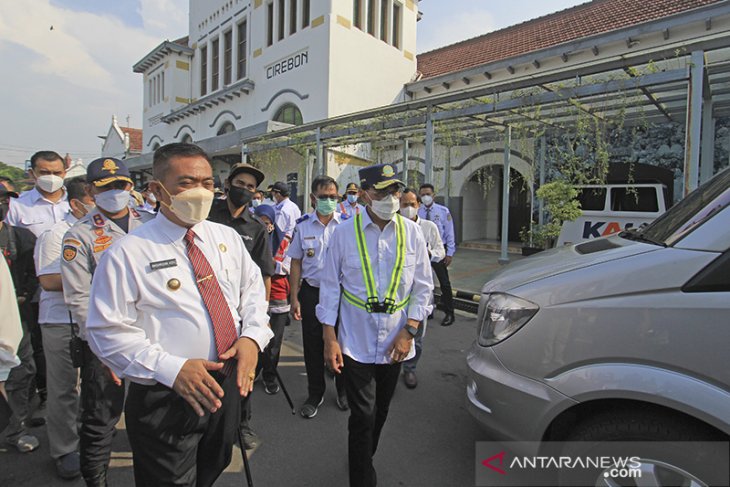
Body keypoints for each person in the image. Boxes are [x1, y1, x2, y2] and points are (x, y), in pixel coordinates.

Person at [85, 143, 273, 487]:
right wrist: (171, 368)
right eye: (187, 183)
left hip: (225, 384)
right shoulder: (128, 253)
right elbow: (105, 331)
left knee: (213, 465)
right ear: (157, 190)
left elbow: (253, 296)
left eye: (207, 183)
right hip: (167, 395)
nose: (200, 192)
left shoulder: (227, 238)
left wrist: (252, 338)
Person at [318, 164, 433, 487]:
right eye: (382, 192)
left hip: (396, 340)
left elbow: (423, 286)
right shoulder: (343, 234)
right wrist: (330, 338)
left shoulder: (411, 233)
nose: (392, 198)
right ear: (365, 194)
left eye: (394, 191)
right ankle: (362, 476)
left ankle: (364, 457)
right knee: (363, 416)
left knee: (380, 411)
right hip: (355, 340)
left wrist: (409, 331)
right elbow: (329, 288)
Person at [61, 157, 152, 486]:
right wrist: (102, 349)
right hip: (105, 341)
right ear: (90, 191)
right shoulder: (79, 236)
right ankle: (96, 480)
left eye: (122, 185)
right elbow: (78, 299)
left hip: (151, 335)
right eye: (106, 187)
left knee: (151, 413)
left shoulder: (150, 223)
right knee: (101, 418)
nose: (116, 192)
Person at [207, 162, 275, 449]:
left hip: (239, 311)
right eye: (240, 184)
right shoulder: (207, 216)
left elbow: (264, 274)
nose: (245, 190)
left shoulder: (256, 228)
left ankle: (240, 423)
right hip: (205, 304)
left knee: (243, 370)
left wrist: (264, 315)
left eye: (251, 187)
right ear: (227, 185)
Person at [34, 176, 95, 479]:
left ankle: (89, 436)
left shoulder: (106, 232)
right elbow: (48, 280)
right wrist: (99, 276)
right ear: (77, 203)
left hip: (97, 320)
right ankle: (64, 449)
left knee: (94, 386)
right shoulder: (56, 234)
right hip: (62, 321)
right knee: (64, 389)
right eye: (96, 196)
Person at [5, 150, 70, 417]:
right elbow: (10, 248)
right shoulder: (19, 206)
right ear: (32, 174)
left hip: (72, 285)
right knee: (36, 346)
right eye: (44, 173)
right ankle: (41, 396)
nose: (51, 178)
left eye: (57, 172)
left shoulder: (75, 204)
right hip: (31, 287)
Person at [288, 175, 347, 418]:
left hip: (342, 294)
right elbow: (296, 264)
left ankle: (343, 390)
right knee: (312, 346)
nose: (329, 201)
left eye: (333, 197)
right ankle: (315, 393)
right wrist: (294, 298)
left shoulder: (346, 225)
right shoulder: (302, 226)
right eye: (324, 197)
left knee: (342, 343)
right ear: (313, 198)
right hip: (312, 293)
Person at [0, 187, 40, 453]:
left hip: (14, 318)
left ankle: (15, 427)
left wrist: (24, 293)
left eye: (3, 200)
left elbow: (32, 271)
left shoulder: (19, 236)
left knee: (22, 371)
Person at [399, 189, 444, 389]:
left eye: (412, 204)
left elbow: (440, 251)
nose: (408, 208)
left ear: (418, 205)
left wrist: (428, 253)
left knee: (415, 332)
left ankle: (410, 369)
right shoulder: (393, 226)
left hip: (419, 290)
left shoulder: (428, 227)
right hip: (397, 291)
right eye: (404, 204)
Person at [253, 204, 290, 395]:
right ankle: (254, 371)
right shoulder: (252, 239)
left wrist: (270, 265)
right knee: (254, 339)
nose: (265, 226)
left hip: (278, 297)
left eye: (268, 223)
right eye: (261, 222)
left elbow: (289, 266)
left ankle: (270, 376)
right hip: (254, 297)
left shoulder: (284, 241)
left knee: (273, 342)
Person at [418, 183, 457, 326]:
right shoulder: (417, 211)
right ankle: (428, 310)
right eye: (422, 195)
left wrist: (450, 253)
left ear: (433, 195)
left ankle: (449, 313)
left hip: (438, 251)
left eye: (428, 194)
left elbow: (449, 232)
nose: (425, 197)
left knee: (444, 283)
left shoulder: (443, 211)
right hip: (422, 252)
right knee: (424, 282)